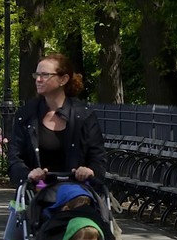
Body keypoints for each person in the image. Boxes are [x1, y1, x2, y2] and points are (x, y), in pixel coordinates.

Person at [6, 53, 106, 187]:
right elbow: (14, 158)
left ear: (63, 80)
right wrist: (27, 174)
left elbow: (98, 157)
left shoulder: (84, 116)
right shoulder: (25, 115)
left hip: (77, 192)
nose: (39, 79)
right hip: (38, 193)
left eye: (45, 75)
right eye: (37, 75)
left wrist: (90, 171)